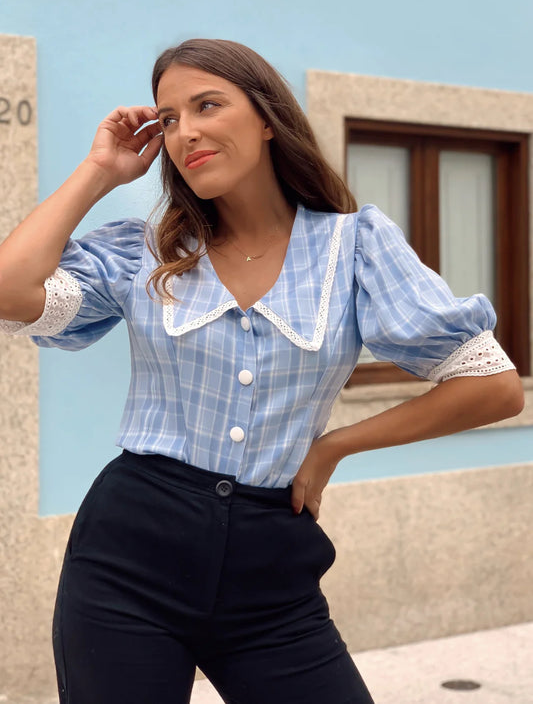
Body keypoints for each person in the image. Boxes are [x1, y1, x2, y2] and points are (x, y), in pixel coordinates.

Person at [0, 38, 524, 704]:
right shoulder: (147, 252)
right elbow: (8, 291)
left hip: (270, 570)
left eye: (207, 105)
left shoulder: (354, 245)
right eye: (168, 119)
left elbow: (493, 386)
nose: (185, 131)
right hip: (128, 554)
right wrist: (99, 171)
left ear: (267, 117)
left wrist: (333, 446)